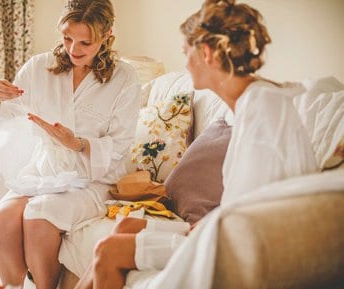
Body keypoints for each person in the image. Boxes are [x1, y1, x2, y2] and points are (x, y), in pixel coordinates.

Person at [74, 1, 318, 288]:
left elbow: (251, 216)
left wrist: (195, 234)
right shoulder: (248, 102)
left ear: (206, 53)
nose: (185, 63)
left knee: (108, 251)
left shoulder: (262, 109)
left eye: (185, 53)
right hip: (228, 230)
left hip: (247, 247)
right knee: (125, 225)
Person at [0, 0, 140, 288]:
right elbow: (2, 122)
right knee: (0, 221)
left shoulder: (124, 78)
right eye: (67, 38)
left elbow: (121, 144)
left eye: (85, 42)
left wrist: (77, 143)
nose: (73, 49)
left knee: (39, 216)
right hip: (44, 171)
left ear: (107, 36)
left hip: (93, 178)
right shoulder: (40, 67)